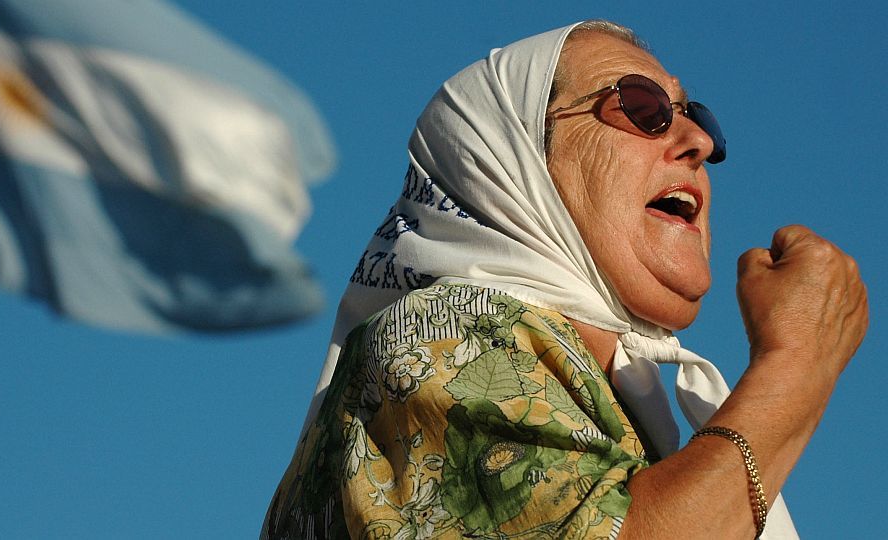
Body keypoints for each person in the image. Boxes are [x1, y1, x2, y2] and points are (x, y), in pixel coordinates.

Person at [261, 20, 867, 539]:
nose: (700, 143)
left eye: (696, 116)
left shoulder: (619, 415)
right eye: (642, 108)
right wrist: (797, 363)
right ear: (514, 160)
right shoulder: (439, 334)